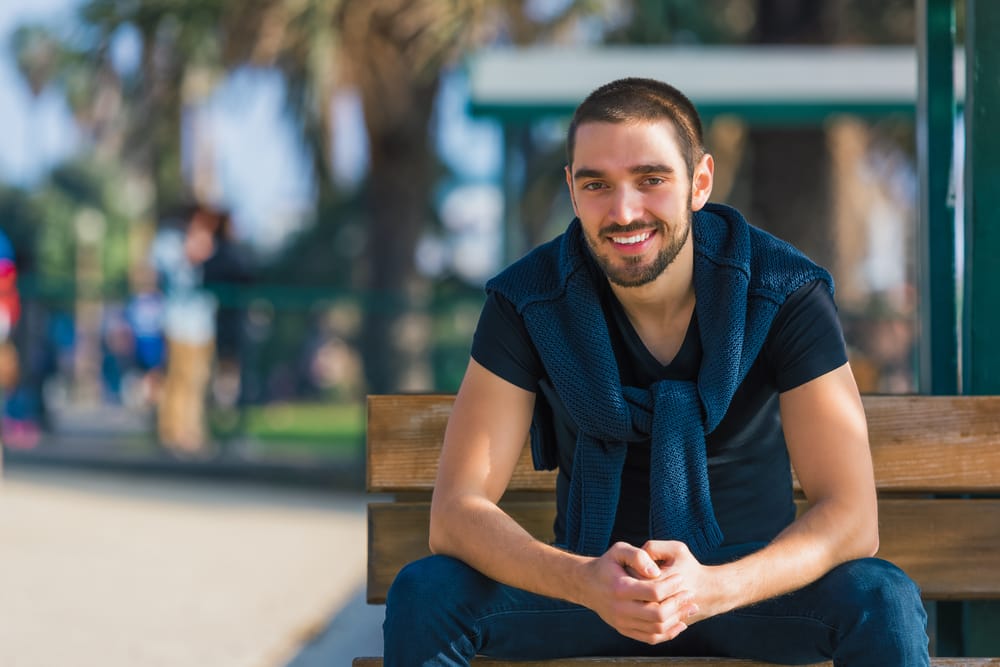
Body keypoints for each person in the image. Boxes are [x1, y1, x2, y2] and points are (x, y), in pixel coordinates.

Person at [383, 78, 929, 665]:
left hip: (746, 592)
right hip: (591, 589)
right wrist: (584, 581)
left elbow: (851, 518)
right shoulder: (528, 300)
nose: (624, 211)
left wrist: (714, 588)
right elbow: (456, 514)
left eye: (651, 179)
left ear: (700, 182)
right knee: (427, 591)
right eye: (596, 184)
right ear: (571, 189)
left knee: (881, 596)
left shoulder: (782, 290)